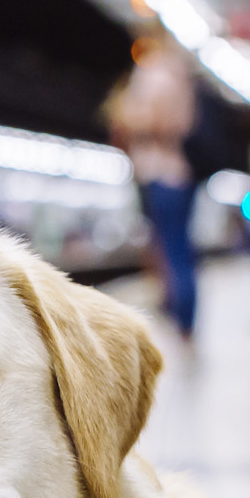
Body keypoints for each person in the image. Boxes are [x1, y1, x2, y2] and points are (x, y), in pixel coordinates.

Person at [107, 39, 200, 338]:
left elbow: (149, 121)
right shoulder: (182, 78)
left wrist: (125, 114)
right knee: (181, 247)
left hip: (156, 170)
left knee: (168, 248)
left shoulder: (152, 74)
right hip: (179, 171)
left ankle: (180, 319)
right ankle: (185, 321)